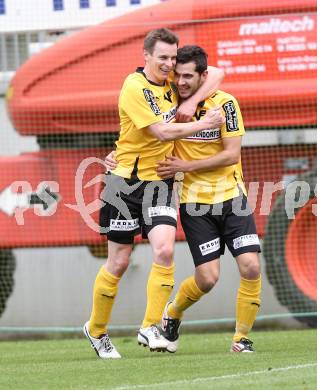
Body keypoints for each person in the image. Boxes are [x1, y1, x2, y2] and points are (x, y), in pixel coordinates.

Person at [83, 29, 224, 359]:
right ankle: (97, 330)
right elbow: (161, 131)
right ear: (145, 56)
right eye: (162, 57)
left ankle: (150, 326)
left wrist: (189, 102)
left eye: (173, 57)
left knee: (164, 250)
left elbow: (217, 72)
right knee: (118, 262)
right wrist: (202, 123)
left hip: (159, 181)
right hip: (124, 184)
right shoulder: (134, 87)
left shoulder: (174, 83)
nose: (169, 64)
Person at [156, 45, 262, 353]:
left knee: (251, 267)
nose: (182, 81)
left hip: (232, 198)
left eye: (189, 76)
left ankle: (241, 339)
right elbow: (146, 134)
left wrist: (184, 166)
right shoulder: (169, 103)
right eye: (178, 75)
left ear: (203, 76)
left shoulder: (226, 104)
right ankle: (173, 313)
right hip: (194, 204)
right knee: (207, 279)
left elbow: (231, 155)